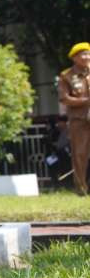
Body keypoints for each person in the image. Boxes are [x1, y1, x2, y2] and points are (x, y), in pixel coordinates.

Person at [59, 42, 90, 196]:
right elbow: (64, 98)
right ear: (74, 57)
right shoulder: (67, 76)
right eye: (83, 54)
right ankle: (81, 188)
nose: (86, 57)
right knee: (80, 154)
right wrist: (85, 101)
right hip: (79, 119)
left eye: (88, 53)